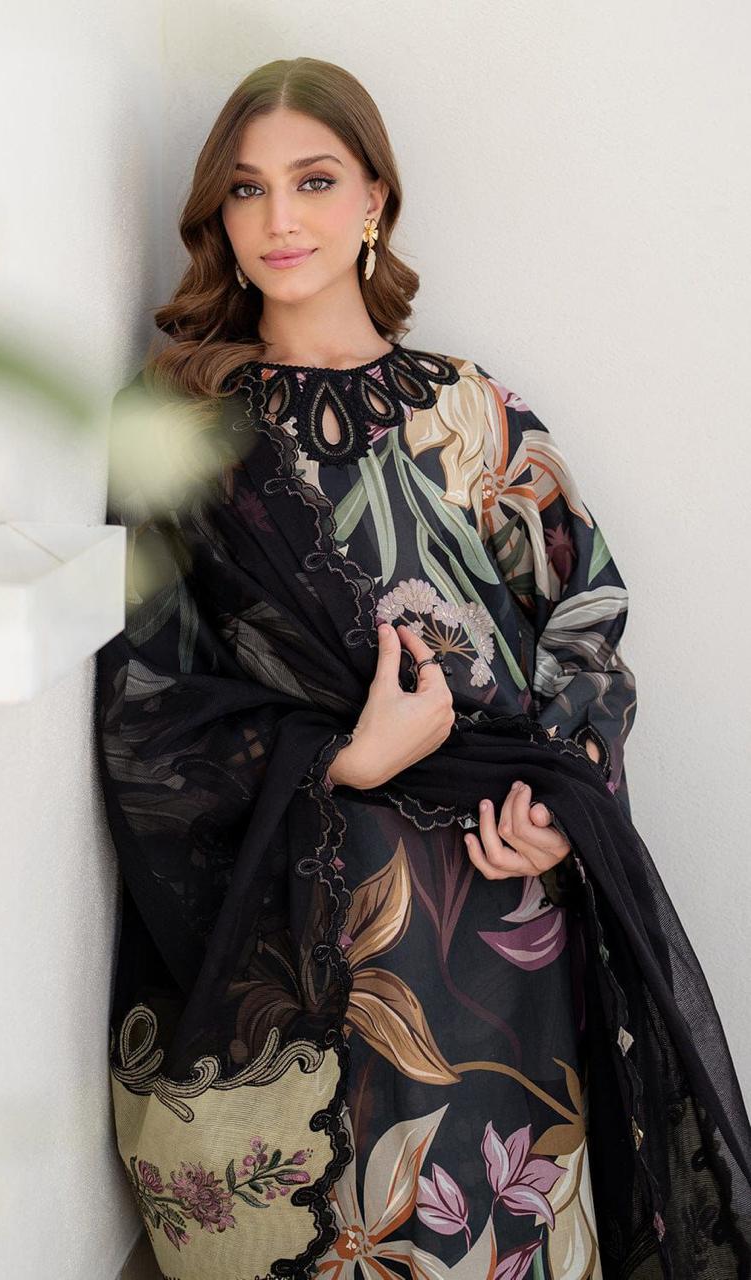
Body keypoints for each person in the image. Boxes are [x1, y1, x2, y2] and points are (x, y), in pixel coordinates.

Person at [94, 57, 751, 1280]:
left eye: (314, 179)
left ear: (374, 201)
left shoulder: (471, 411)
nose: (280, 218)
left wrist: (563, 801)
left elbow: (586, 612)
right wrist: (343, 757)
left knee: (509, 1227)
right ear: (217, 220)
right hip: (332, 925)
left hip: (512, 913)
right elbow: (147, 694)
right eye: (245, 190)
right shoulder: (176, 427)